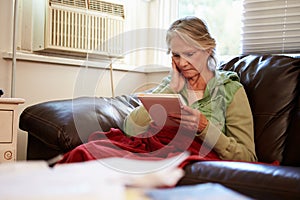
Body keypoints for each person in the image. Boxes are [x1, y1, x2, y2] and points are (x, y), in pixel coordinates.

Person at [123, 16, 257, 162]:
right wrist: (172, 89)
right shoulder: (170, 84)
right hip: (160, 154)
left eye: (189, 54)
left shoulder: (230, 90)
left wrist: (204, 128)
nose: (182, 63)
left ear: (208, 50)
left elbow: (248, 157)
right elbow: (130, 129)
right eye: (176, 55)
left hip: (196, 162)